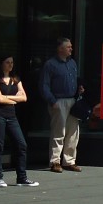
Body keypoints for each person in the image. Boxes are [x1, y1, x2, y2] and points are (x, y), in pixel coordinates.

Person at [0, 55, 37, 187]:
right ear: (1, 64)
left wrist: (6, 97)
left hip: (11, 116)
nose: (10, 65)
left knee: (22, 145)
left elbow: (24, 97)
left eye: (12, 62)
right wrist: (14, 98)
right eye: (7, 62)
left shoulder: (16, 79)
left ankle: (22, 177)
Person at [40, 36, 83, 173]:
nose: (71, 49)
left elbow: (75, 80)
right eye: (68, 46)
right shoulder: (50, 64)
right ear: (60, 49)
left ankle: (69, 160)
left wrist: (79, 90)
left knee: (73, 132)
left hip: (72, 100)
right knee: (59, 131)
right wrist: (52, 101)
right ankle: (55, 161)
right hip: (59, 101)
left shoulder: (72, 63)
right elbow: (44, 85)